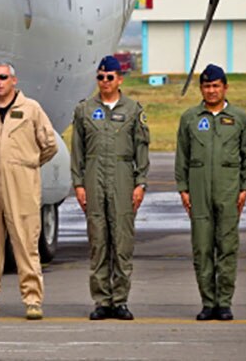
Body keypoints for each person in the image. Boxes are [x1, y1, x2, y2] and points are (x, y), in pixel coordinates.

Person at [0, 61, 58, 321]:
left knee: (25, 240)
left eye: (3, 77)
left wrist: (26, 164)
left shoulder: (31, 109)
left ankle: (32, 300)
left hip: (21, 183)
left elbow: (48, 144)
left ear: (13, 80)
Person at [175, 64, 246, 322]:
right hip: (198, 194)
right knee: (202, 248)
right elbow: (182, 158)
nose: (211, 91)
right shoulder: (189, 118)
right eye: (207, 86)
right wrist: (183, 190)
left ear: (225, 87)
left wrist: (245, 188)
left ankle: (224, 303)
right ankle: (207, 303)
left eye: (216, 86)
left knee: (227, 248)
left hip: (228, 192)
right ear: (201, 89)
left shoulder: (239, 118)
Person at [71, 55, 150, 321]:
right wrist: (79, 184)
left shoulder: (133, 110)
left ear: (119, 79)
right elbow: (78, 152)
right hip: (94, 179)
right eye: (101, 77)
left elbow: (141, 149)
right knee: (98, 241)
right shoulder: (84, 110)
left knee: (122, 242)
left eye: (110, 77)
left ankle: (121, 300)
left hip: (123, 177)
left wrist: (140, 183)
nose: (105, 82)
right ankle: (102, 300)